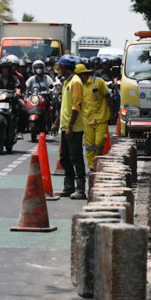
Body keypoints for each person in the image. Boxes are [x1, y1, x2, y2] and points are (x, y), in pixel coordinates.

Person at [50, 54, 86, 199]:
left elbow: (76, 107)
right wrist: (56, 123)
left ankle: (80, 189)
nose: (59, 69)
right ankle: (68, 187)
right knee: (64, 157)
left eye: (60, 67)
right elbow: (64, 106)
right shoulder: (67, 82)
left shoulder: (76, 82)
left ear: (65, 67)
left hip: (74, 128)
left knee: (76, 157)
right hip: (65, 127)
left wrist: (70, 127)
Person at [76, 63, 115, 169]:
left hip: (101, 118)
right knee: (89, 145)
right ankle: (92, 166)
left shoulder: (98, 82)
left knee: (100, 141)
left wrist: (112, 114)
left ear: (82, 74)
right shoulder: (79, 86)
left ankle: (98, 159)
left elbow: (108, 97)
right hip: (87, 119)